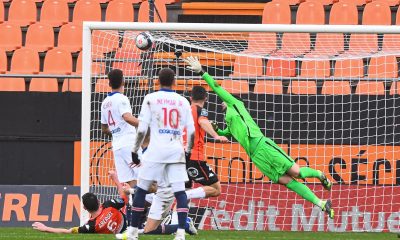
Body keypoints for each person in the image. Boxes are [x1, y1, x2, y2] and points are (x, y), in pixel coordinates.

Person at [184, 56, 334, 219]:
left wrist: (202, 72)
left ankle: (319, 174)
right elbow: (225, 133)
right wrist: (217, 130)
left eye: (224, 102)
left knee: (297, 173)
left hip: (262, 144)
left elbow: (215, 86)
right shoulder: (230, 120)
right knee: (287, 182)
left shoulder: (235, 104)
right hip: (255, 156)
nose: (221, 103)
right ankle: (321, 203)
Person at [122, 68, 195, 240]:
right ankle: (181, 233)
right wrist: (188, 151)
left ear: (157, 81)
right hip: (176, 151)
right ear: (174, 82)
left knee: (141, 190)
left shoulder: (151, 98)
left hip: (155, 151)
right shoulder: (183, 101)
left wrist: (134, 150)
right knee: (180, 192)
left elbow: (142, 129)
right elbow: (191, 131)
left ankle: (132, 232)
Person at [185, 86, 228, 200]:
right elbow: (202, 121)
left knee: (187, 188)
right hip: (194, 157)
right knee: (216, 188)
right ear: (206, 98)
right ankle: (182, 197)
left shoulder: (184, 111)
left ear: (190, 98)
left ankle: (177, 217)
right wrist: (216, 135)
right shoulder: (200, 110)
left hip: (180, 157)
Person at [100, 69, 139, 188]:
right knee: (148, 180)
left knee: (131, 183)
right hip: (129, 145)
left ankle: (135, 206)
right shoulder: (122, 98)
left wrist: (117, 131)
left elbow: (105, 129)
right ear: (123, 81)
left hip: (117, 148)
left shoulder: (105, 102)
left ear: (109, 84)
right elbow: (127, 117)